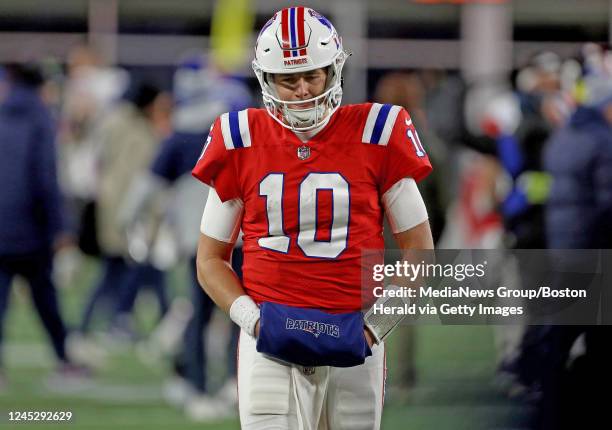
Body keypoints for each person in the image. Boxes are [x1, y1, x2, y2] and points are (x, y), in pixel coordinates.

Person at [193, 7, 434, 429]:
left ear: (334, 70)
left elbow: (420, 252)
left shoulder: (378, 131)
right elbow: (210, 259)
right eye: (289, 79)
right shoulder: (240, 138)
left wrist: (375, 327)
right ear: (267, 80)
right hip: (270, 338)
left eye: (313, 75)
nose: (303, 89)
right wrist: (253, 320)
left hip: (355, 334)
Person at [0, 64, 81, 385]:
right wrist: (60, 227)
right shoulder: (40, 120)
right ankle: (63, 360)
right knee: (45, 298)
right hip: (30, 228)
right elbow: (46, 178)